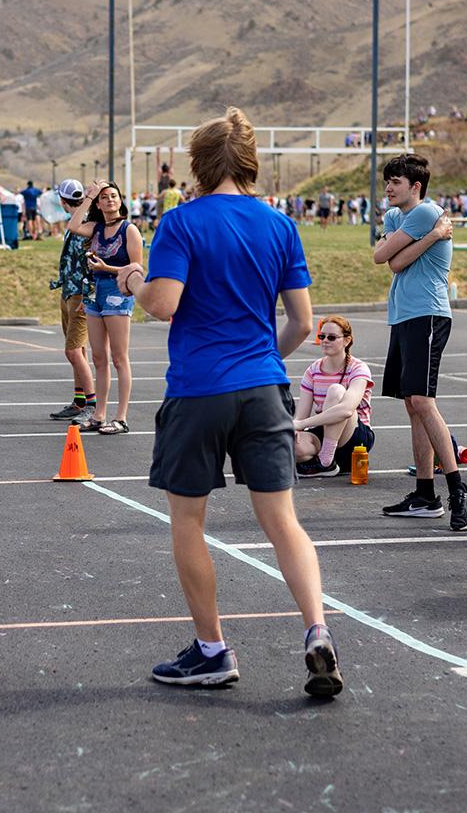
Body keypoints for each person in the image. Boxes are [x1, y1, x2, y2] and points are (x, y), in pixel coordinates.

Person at [114, 106, 341, 696]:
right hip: (264, 388)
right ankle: (317, 628)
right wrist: (265, 355)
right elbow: (303, 321)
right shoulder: (279, 225)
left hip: (199, 390)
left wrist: (134, 280)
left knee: (188, 522)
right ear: (250, 162)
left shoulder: (183, 223)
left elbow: (163, 304)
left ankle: (213, 649)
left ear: (197, 164)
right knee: (282, 522)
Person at [372, 153, 467, 532]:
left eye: (395, 182)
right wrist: (430, 239)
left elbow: (388, 258)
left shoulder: (426, 211)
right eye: (387, 181)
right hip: (403, 315)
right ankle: (425, 493)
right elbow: (386, 259)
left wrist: (429, 235)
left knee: (422, 401)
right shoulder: (396, 217)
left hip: (427, 314)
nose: (388, 188)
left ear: (415, 186)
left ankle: (458, 489)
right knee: (411, 405)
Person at [66, 181, 142, 435]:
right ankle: (99, 415)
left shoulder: (129, 230)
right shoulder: (97, 228)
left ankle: (121, 418)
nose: (110, 200)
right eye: (104, 197)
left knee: (119, 358)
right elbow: (73, 226)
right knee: (99, 357)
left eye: (114, 196)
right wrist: (88, 196)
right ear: (98, 204)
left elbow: (137, 269)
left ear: (121, 201)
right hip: (95, 292)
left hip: (117, 292)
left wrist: (106, 268)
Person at [294, 315, 375, 477]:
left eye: (331, 337)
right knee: (290, 443)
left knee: (336, 391)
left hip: (355, 436)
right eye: (321, 336)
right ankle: (324, 462)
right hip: (324, 431)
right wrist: (292, 431)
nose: (325, 341)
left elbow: (346, 410)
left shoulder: (358, 368)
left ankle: (325, 461)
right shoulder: (313, 371)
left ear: (347, 340)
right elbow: (300, 418)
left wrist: (301, 423)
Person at [48, 178, 97, 425]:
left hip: (80, 294)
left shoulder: (83, 223)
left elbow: (91, 262)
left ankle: (91, 404)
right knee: (79, 350)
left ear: (62, 201)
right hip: (69, 291)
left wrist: (87, 296)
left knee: (72, 351)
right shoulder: (77, 221)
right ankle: (79, 401)